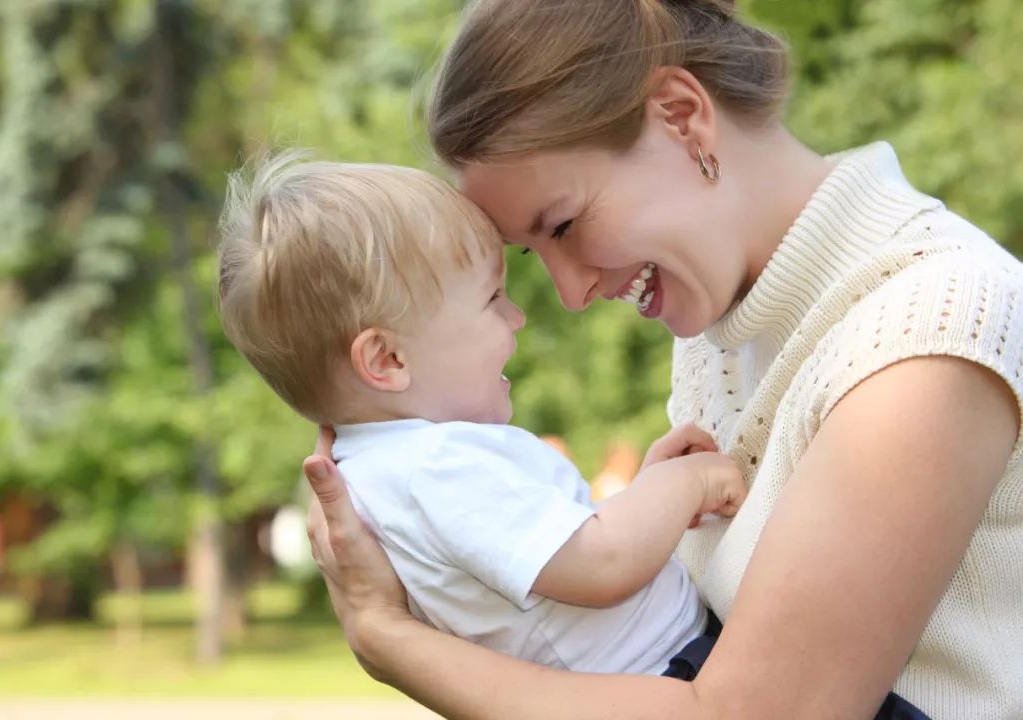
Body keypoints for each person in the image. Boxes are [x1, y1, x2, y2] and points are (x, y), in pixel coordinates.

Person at [302, 0, 1023, 718]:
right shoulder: (718, 334)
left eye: (564, 224)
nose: (571, 291)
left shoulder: (929, 322)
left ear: (681, 115)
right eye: (533, 249)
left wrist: (389, 638)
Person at [216, 153, 748, 673]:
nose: (516, 317)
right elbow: (603, 563)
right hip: (668, 674)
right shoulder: (436, 466)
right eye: (492, 298)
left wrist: (644, 493)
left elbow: (558, 576)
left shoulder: (383, 476)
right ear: (387, 358)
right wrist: (687, 485)